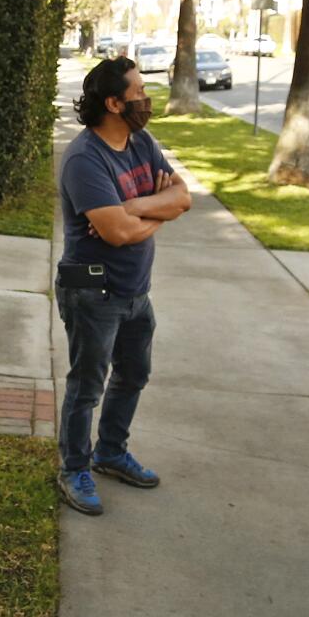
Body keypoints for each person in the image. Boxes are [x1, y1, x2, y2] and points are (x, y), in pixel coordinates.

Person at [53, 56, 191, 516]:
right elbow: (117, 234)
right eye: (138, 92)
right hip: (88, 286)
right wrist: (156, 211)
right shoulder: (84, 160)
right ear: (113, 102)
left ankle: (110, 451)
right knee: (87, 384)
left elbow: (183, 196)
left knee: (133, 374)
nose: (145, 100)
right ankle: (74, 467)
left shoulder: (141, 142)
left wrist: (134, 207)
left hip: (134, 289)